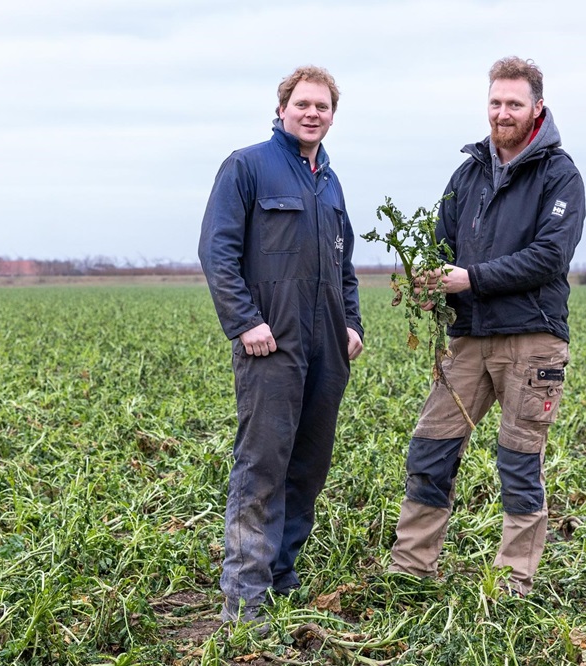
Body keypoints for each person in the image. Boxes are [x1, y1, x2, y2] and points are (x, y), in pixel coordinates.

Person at [388, 56, 585, 597]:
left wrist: (467, 278)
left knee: (519, 459)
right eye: (496, 102)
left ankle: (511, 584)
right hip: (468, 336)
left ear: (536, 108)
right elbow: (441, 242)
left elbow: (549, 256)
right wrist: (427, 279)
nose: (503, 113)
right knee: (431, 448)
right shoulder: (469, 170)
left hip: (533, 337)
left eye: (514, 104)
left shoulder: (559, 174)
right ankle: (410, 569)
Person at [198, 65, 364, 624]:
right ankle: (244, 600)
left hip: (325, 348)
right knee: (263, 465)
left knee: (308, 466)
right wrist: (245, 321)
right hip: (270, 346)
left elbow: (343, 267)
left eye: (322, 106)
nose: (312, 113)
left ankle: (281, 577)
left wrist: (353, 324)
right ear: (282, 109)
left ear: (332, 116)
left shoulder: (330, 182)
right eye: (303, 104)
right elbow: (216, 252)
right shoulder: (247, 166)